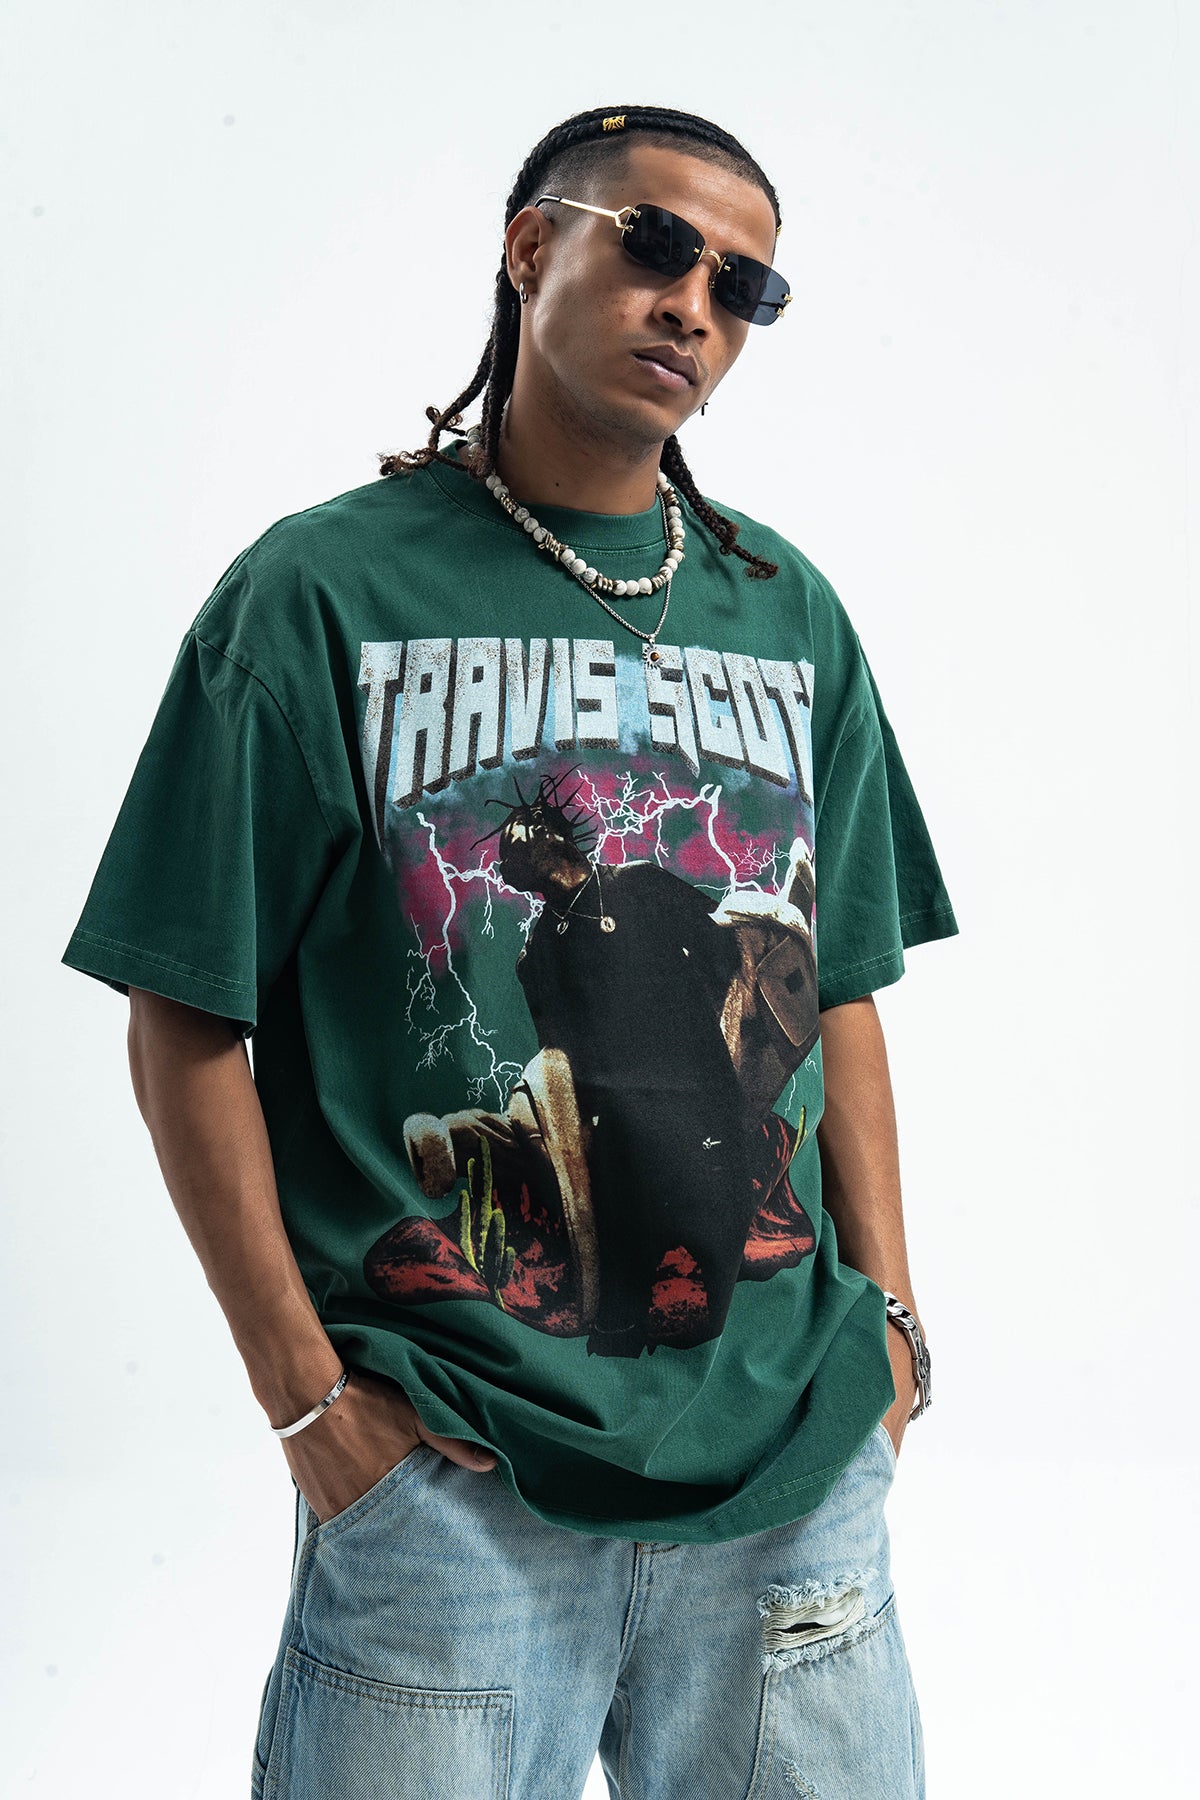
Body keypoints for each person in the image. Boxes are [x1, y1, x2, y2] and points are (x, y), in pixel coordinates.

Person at [61, 102, 959, 1800]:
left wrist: (894, 1329)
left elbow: (842, 987)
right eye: (657, 242)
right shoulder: (320, 594)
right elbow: (182, 1009)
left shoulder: (789, 614)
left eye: (746, 285)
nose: (696, 302)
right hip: (454, 1476)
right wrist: (307, 1399)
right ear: (532, 246)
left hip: (789, 1461)